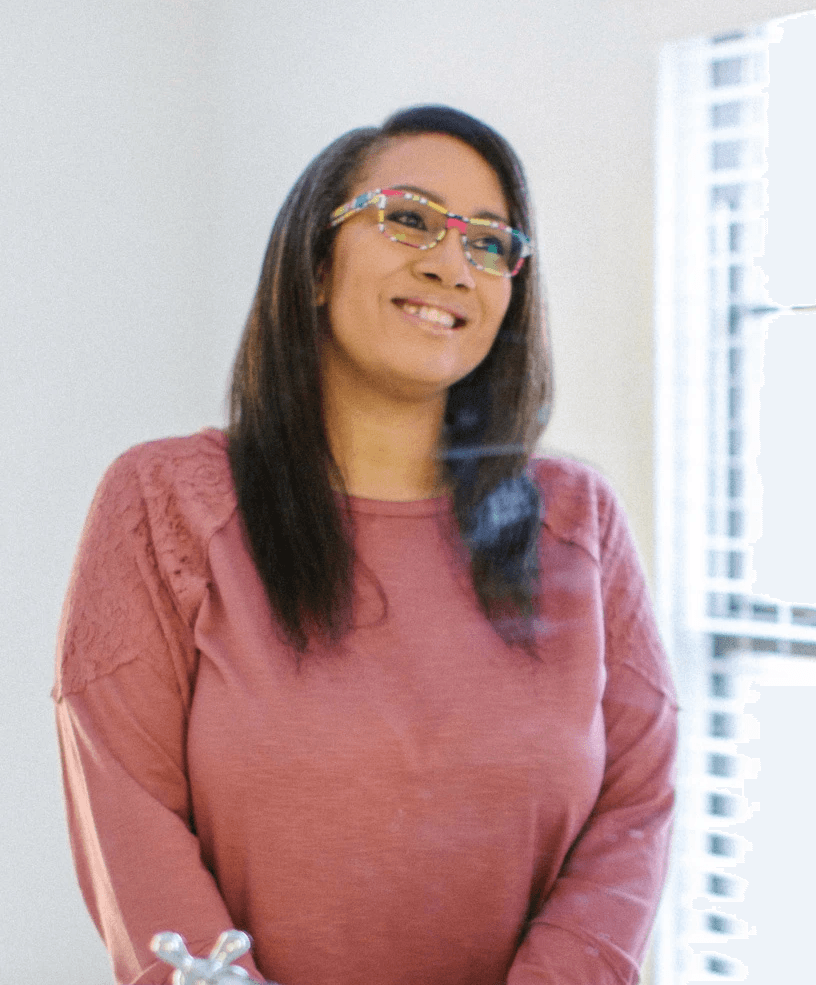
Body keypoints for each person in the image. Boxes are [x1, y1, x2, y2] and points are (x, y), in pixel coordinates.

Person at [53, 105, 677, 985]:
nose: (452, 262)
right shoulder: (165, 501)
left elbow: (636, 808)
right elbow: (130, 812)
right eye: (410, 218)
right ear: (314, 264)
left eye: (491, 242)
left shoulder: (581, 518)